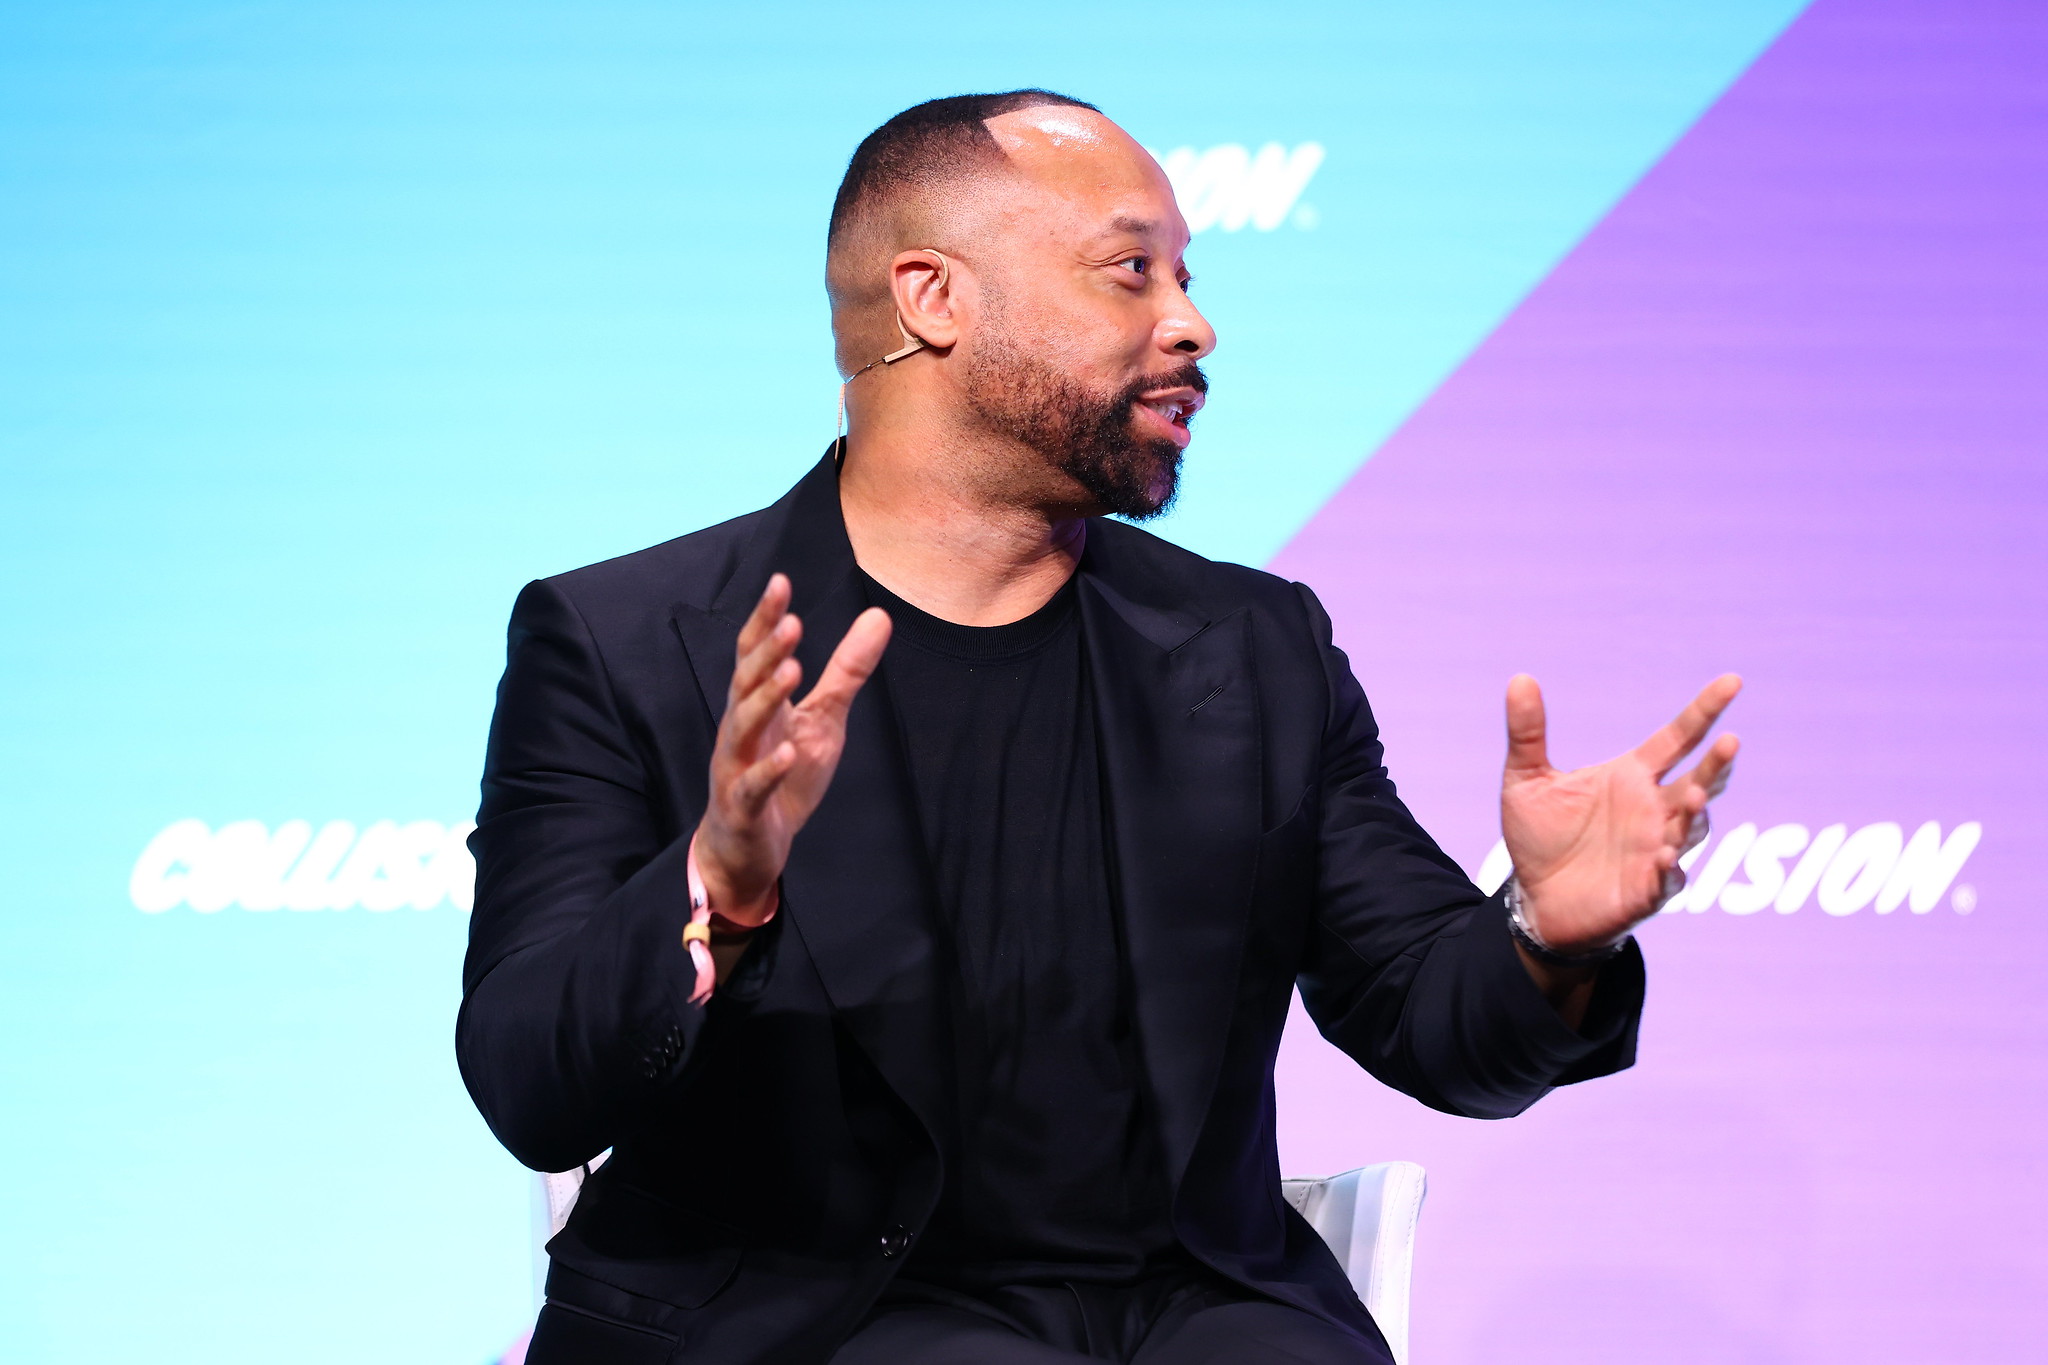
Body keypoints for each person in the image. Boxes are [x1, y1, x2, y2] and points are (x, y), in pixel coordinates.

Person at [457, 90, 1740, 1365]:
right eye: (1131, 273)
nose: (1192, 324)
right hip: (824, 1327)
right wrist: (712, 891)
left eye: (1184, 276)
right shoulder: (627, 641)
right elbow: (529, 1078)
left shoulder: (1252, 649)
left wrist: (1544, 940)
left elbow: (1429, 1017)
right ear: (934, 300)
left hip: (1196, 1323)